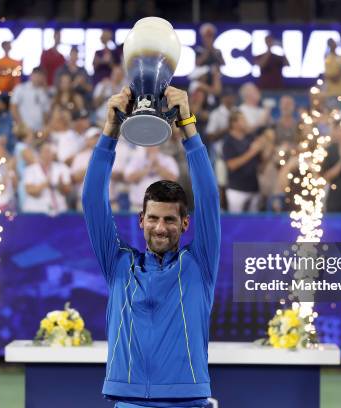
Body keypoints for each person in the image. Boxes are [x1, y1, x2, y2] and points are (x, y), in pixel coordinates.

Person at [82, 86, 220, 408]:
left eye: (170, 220)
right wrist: (110, 132)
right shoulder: (118, 264)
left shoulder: (199, 264)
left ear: (185, 224)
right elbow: (92, 201)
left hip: (187, 400)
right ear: (142, 219)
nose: (161, 227)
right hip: (129, 400)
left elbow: (210, 199)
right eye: (154, 218)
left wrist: (188, 127)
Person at [222, 110, 270, 213]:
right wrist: (252, 152)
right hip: (237, 189)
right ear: (234, 123)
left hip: (254, 187)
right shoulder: (228, 141)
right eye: (242, 119)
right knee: (235, 222)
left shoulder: (250, 137)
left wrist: (266, 149)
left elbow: (260, 163)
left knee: (254, 223)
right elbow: (231, 165)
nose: (245, 122)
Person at [124, 144, 179, 212]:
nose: (151, 147)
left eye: (154, 144)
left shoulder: (167, 159)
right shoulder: (136, 159)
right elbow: (129, 178)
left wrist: (158, 166)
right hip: (138, 207)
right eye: (149, 144)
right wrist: (148, 167)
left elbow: (173, 179)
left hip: (161, 208)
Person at [22, 142, 71, 215]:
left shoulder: (62, 168)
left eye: (50, 151)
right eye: (45, 151)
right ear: (39, 153)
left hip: (58, 211)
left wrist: (60, 185)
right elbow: (29, 190)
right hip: (36, 211)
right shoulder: (31, 169)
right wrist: (45, 184)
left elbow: (68, 190)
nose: (47, 154)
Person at [10, 67, 51, 134]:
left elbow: (46, 112)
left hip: (39, 131)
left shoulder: (44, 93)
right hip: (24, 130)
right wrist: (21, 125)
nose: (38, 78)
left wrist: (44, 128)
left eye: (40, 76)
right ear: (31, 75)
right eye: (36, 75)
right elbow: (13, 107)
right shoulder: (21, 89)